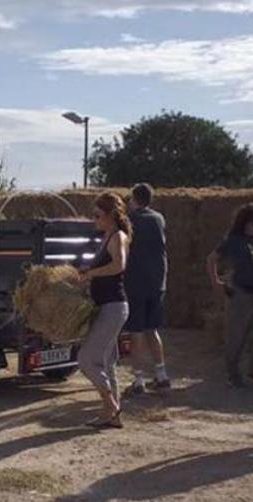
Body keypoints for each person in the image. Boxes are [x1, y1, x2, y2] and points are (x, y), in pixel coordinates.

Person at [77, 192, 131, 429]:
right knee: (107, 363)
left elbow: (119, 265)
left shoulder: (117, 236)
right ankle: (112, 417)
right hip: (108, 306)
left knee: (87, 360)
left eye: (97, 214)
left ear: (110, 215)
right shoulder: (108, 236)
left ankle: (111, 406)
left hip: (113, 306)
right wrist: (87, 270)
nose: (94, 218)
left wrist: (91, 273)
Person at [207, 203, 253, 388]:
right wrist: (216, 282)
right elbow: (212, 259)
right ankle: (233, 372)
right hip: (241, 293)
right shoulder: (233, 241)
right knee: (236, 336)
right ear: (245, 222)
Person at [122, 182, 171, 397]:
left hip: (137, 282)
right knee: (152, 329)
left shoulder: (132, 220)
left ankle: (139, 380)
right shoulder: (159, 218)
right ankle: (162, 375)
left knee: (136, 332)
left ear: (134, 199)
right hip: (157, 282)